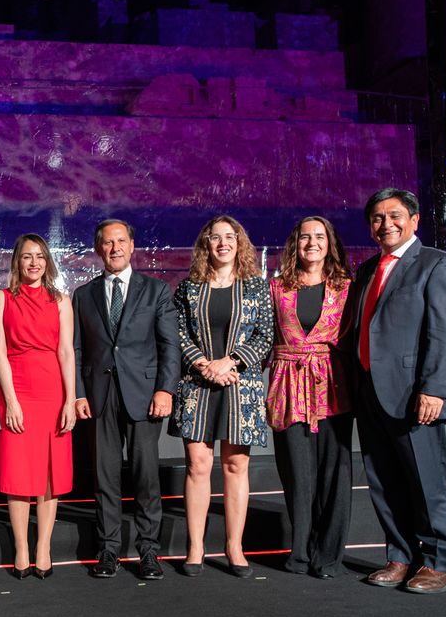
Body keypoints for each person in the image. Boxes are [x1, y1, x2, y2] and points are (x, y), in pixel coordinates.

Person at [350, 188, 446, 594]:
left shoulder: (437, 265)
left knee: (425, 480)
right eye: (378, 218)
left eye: (395, 215)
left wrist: (435, 389)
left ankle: (437, 563)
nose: (387, 224)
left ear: (415, 220)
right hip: (369, 393)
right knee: (383, 479)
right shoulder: (367, 270)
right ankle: (401, 556)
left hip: (414, 394)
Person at [73, 219, 180, 580]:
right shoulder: (83, 294)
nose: (115, 248)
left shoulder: (157, 291)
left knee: (146, 477)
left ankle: (149, 552)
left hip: (145, 396)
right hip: (100, 396)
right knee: (105, 478)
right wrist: (79, 393)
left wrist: (165, 389)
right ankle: (108, 551)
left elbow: (170, 346)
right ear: (98, 249)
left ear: (132, 245)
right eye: (107, 242)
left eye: (121, 241)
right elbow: (76, 349)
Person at [170, 215, 272, 578]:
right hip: (198, 387)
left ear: (239, 243)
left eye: (230, 237)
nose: (223, 243)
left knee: (235, 466)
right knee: (198, 466)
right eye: (216, 238)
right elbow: (177, 333)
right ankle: (196, 547)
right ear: (206, 245)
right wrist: (203, 365)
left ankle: (234, 547)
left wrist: (229, 362)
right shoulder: (188, 288)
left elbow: (264, 335)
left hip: (239, 386)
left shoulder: (257, 287)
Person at [267, 216, 354, 579]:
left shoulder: (347, 288)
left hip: (333, 385)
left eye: (319, 237)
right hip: (287, 385)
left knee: (335, 473)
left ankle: (329, 556)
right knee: (297, 475)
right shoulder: (276, 288)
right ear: (295, 243)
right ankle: (300, 552)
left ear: (330, 243)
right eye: (305, 237)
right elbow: (263, 336)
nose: (312, 243)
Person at [0, 233, 76, 579]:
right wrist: (10, 400)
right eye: (27, 257)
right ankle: (22, 548)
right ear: (17, 262)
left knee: (50, 475)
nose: (34, 263)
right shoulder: (1, 299)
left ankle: (44, 547)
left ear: (47, 262)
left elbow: (66, 352)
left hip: (53, 392)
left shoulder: (61, 300)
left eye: (40, 256)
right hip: (17, 390)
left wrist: (70, 399)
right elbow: (0, 355)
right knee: (19, 473)